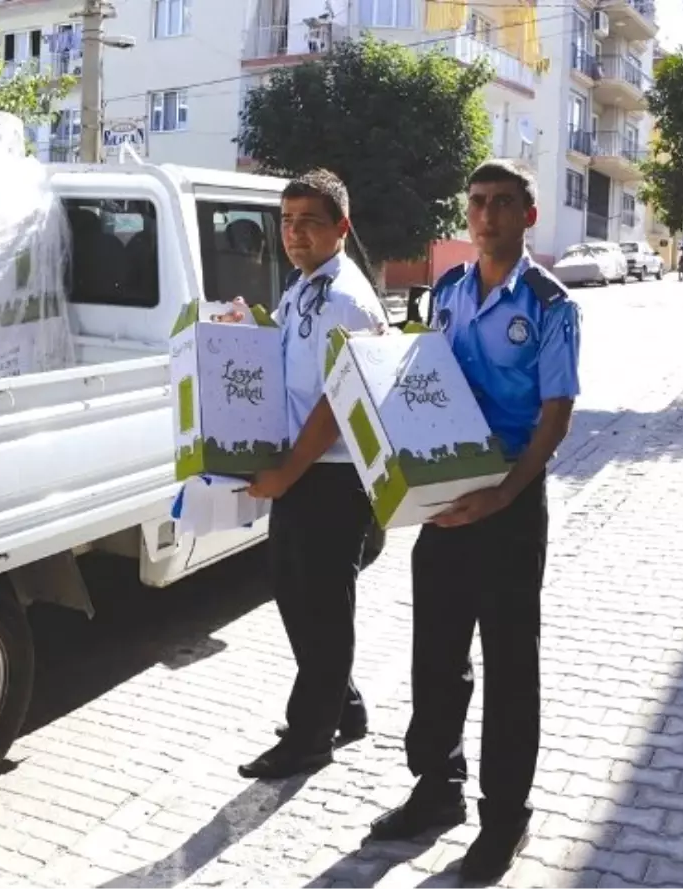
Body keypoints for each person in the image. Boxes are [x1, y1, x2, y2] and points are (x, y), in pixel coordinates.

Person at [368, 160, 581, 884]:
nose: (486, 215)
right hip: (445, 504)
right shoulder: (450, 293)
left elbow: (556, 416)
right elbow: (424, 381)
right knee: (436, 653)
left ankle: (505, 818)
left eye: (501, 204)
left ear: (529, 213)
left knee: (511, 666)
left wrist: (502, 494)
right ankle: (436, 789)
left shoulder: (552, 306)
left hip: (512, 505)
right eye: (478, 203)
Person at [221, 169, 388, 780]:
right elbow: (290, 362)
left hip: (332, 477)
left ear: (341, 227)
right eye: (287, 222)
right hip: (304, 471)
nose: (294, 233)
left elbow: (337, 403)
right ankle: (342, 708)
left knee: (321, 607)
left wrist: (287, 474)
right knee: (298, 594)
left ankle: (309, 737)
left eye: (309, 222)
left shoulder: (345, 297)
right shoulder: (304, 288)